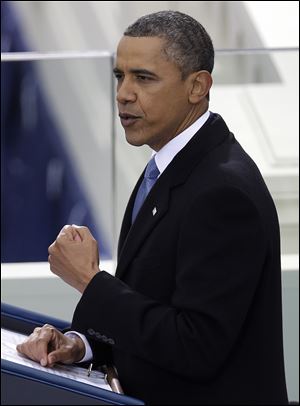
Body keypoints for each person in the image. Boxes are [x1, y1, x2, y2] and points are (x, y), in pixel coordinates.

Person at [16, 10, 288, 405]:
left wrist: (90, 283)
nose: (124, 93)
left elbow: (196, 347)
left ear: (198, 86)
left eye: (143, 78)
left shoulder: (224, 193)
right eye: (119, 76)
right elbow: (152, 311)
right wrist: (81, 345)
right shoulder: (167, 168)